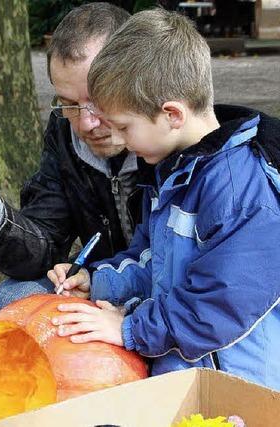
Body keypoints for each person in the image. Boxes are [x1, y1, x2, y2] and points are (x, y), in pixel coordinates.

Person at [49, 9, 280, 390]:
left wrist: (128, 327)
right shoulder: (174, 174)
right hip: (183, 379)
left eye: (125, 127)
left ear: (171, 114)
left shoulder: (242, 191)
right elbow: (152, 259)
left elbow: (216, 308)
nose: (121, 140)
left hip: (239, 391)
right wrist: (98, 281)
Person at [0, 3, 150, 318]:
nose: (86, 125)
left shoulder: (177, 140)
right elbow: (45, 244)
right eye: (69, 104)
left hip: (161, 299)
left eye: (98, 100)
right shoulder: (65, 133)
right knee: (13, 300)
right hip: (92, 283)